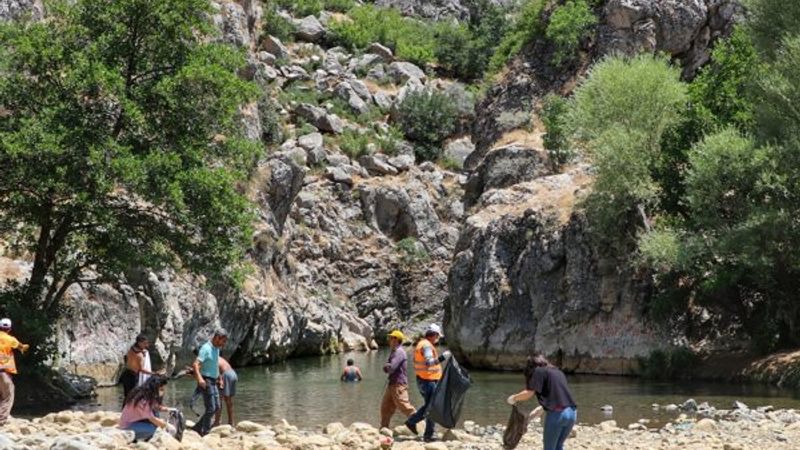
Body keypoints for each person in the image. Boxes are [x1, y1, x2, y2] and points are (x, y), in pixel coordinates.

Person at [506, 353, 577, 450]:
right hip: (572, 413)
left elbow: (529, 393)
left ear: (531, 366)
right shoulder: (557, 372)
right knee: (558, 446)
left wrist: (513, 398)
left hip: (557, 415)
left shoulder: (538, 371)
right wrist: (528, 420)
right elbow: (544, 407)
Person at [405, 324, 451, 442]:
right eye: (438, 336)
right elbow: (429, 362)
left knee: (430, 406)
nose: (438, 339)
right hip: (428, 381)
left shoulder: (422, 343)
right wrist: (443, 357)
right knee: (431, 407)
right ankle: (415, 424)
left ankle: (428, 434)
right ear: (434, 335)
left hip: (424, 379)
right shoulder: (426, 346)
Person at [191, 328, 228, 436]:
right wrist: (200, 379)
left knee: (217, 407)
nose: (223, 343)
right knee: (211, 408)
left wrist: (219, 377)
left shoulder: (216, 349)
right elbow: (195, 364)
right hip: (206, 380)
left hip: (213, 380)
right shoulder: (206, 348)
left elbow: (215, 364)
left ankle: (197, 428)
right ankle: (205, 431)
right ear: (217, 338)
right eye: (223, 341)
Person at [119, 376, 176, 442]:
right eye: (161, 389)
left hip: (135, 422)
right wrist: (167, 426)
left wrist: (167, 409)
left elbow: (155, 406)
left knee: (156, 417)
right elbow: (152, 418)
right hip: (127, 426)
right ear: (154, 388)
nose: (163, 391)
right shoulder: (143, 400)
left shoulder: (144, 395)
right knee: (155, 429)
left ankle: (144, 435)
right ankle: (140, 437)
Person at [380, 330, 416, 430]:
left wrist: (386, 366)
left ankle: (419, 422)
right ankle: (384, 428)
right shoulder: (395, 351)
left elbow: (391, 368)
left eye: (391, 338)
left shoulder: (399, 352)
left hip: (398, 384)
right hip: (392, 384)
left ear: (396, 340)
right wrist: (387, 366)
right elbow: (388, 367)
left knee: (403, 405)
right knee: (385, 407)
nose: (389, 340)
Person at [0, 318, 29, 425]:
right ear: (9, 329)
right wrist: (24, 347)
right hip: (3, 372)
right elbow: (21, 346)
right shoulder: (10, 339)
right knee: (8, 396)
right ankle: (1, 420)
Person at [121, 334, 162, 400]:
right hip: (132, 377)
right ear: (139, 343)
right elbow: (142, 369)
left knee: (127, 396)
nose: (146, 345)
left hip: (126, 374)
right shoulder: (140, 355)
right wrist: (154, 373)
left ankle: (124, 410)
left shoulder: (131, 349)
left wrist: (142, 351)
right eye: (145, 343)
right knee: (132, 396)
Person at [214, 356, 237, 427]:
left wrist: (220, 380)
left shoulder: (210, 357)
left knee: (219, 399)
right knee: (228, 400)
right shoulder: (216, 355)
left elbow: (216, 370)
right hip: (233, 374)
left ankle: (217, 422)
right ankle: (231, 422)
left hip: (225, 375)